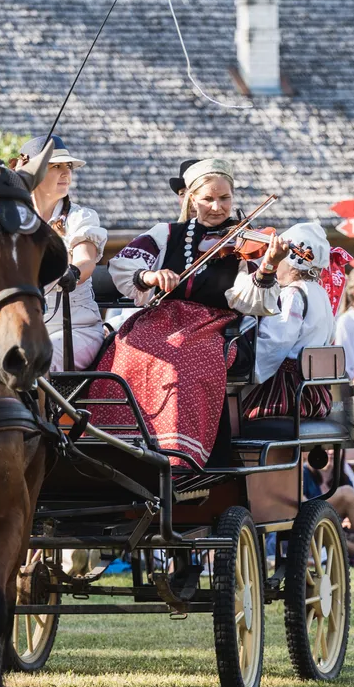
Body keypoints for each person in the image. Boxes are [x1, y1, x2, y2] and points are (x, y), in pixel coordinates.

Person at [102, 157, 282, 467]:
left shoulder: (244, 243)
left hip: (212, 324)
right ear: (190, 199)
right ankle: (120, 444)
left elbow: (255, 301)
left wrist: (268, 266)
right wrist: (149, 276)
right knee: (128, 350)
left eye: (224, 198)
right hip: (159, 318)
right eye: (208, 198)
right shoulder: (167, 233)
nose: (217, 206)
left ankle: (178, 457)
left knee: (179, 356)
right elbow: (123, 264)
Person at [17, 134, 107, 371]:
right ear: (32, 173)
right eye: (55, 166)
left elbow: (85, 260)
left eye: (68, 167)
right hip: (22, 330)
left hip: (75, 331)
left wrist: (74, 273)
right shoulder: (14, 220)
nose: (66, 173)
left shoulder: (81, 217)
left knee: (30, 360)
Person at [242, 221, 343, 422]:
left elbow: (275, 343)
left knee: (239, 414)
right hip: (315, 392)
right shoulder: (320, 292)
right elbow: (330, 336)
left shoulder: (292, 294)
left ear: (290, 263)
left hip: (288, 394)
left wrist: (248, 370)